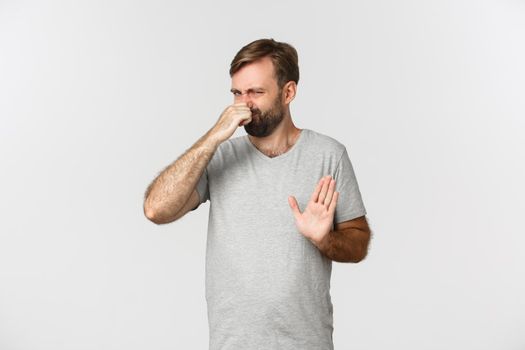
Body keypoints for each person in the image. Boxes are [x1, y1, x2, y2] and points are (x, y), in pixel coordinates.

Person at [143, 38, 371, 350]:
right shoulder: (220, 156)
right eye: (237, 93)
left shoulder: (328, 155)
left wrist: (325, 239)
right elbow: (156, 209)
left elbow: (358, 242)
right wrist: (214, 137)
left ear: (288, 92)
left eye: (256, 92)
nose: (243, 103)